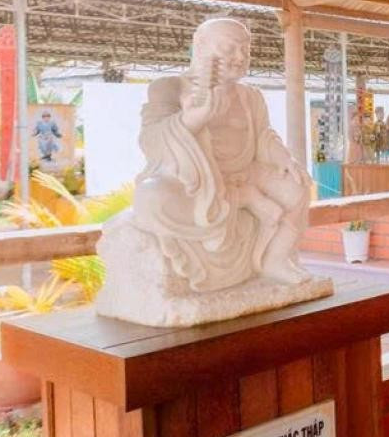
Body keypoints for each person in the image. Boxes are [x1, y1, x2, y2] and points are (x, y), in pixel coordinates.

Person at [131, 17, 311, 291]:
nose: (239, 57)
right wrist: (191, 120)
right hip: (200, 180)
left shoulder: (250, 96)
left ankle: (274, 259)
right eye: (229, 48)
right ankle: (245, 198)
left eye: (245, 50)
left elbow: (264, 136)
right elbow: (151, 139)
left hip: (245, 171)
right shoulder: (170, 88)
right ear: (200, 46)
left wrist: (283, 158)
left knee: (296, 188)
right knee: (152, 197)